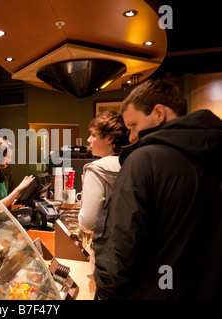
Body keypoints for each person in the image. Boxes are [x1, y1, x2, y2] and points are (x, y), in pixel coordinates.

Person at [92, 78, 222, 299]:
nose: (131, 136)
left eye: (133, 126)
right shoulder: (213, 153)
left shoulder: (144, 159)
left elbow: (120, 248)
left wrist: (104, 294)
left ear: (159, 113)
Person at [78, 110, 129, 233]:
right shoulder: (132, 164)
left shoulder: (96, 169)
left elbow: (88, 223)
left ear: (110, 138)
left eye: (93, 135)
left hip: (108, 245)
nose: (89, 139)